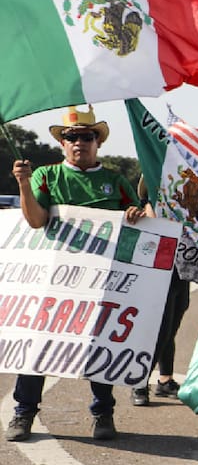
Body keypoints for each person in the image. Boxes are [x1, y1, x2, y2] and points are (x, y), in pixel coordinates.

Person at [6, 106, 145, 442]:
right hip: (52, 280)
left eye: (87, 136)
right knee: (37, 346)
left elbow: (141, 219)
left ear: (98, 142)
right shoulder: (46, 176)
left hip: (102, 282)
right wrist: (24, 184)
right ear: (62, 143)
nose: (80, 141)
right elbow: (36, 221)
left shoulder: (115, 180)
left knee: (100, 346)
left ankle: (103, 413)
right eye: (72, 136)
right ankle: (23, 412)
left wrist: (136, 213)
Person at [130, 178, 192, 406]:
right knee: (160, 331)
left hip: (179, 274)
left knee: (172, 326)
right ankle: (139, 382)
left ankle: (165, 380)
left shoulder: (180, 208)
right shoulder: (144, 211)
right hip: (156, 276)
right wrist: (148, 205)